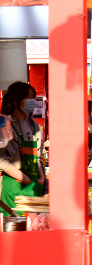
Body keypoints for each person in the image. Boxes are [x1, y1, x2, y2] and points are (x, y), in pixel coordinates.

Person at [0, 82, 44, 215]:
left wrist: (41, 177)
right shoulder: (4, 124)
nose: (32, 101)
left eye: (33, 97)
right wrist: (23, 177)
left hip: (34, 186)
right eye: (28, 97)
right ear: (15, 99)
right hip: (13, 186)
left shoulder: (34, 126)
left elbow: (38, 155)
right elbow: (1, 161)